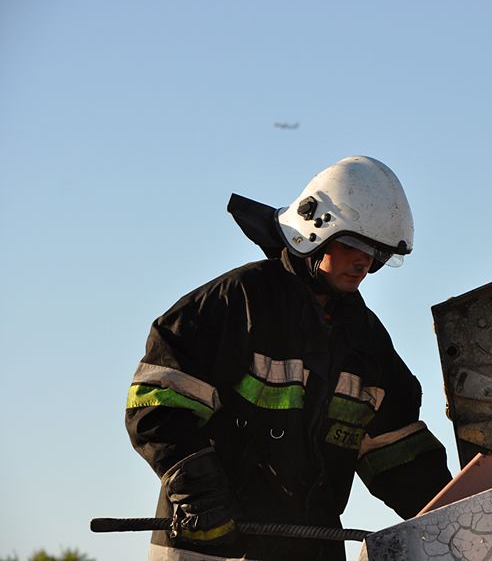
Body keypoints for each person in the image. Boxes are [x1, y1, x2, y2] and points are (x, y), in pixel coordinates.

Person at [125, 156, 452, 560]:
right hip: (213, 546)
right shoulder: (239, 302)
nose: (364, 262)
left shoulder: (366, 342)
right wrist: (198, 491)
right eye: (354, 244)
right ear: (314, 233)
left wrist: (457, 522)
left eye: (376, 252)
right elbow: (157, 400)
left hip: (309, 547)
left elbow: (396, 454)